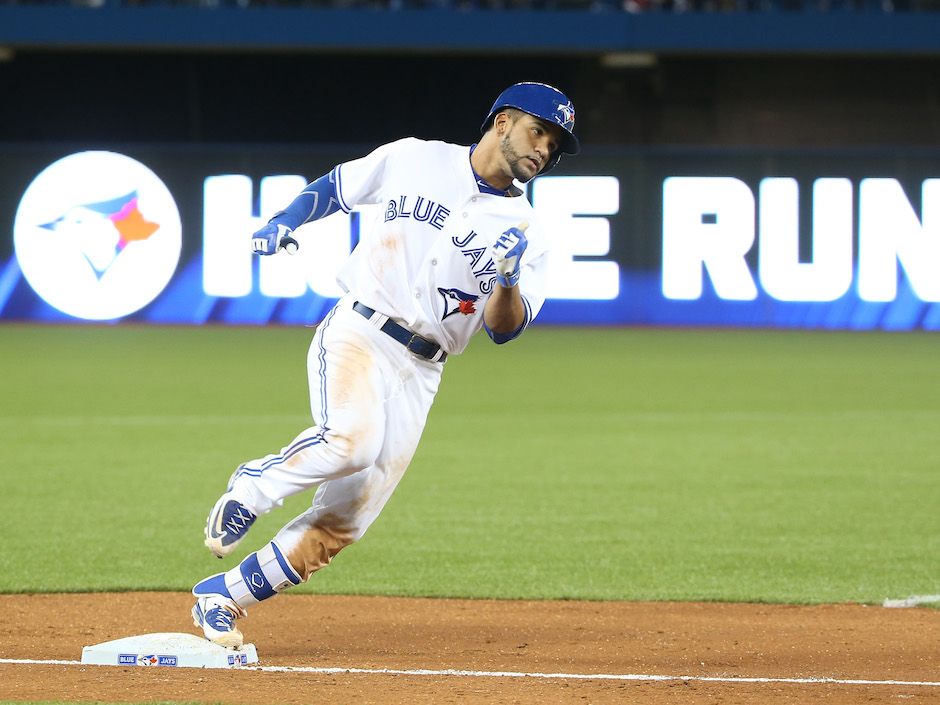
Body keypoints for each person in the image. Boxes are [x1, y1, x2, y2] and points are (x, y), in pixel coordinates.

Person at [190, 82, 580, 648]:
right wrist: (286, 220)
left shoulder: (530, 233)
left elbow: (503, 328)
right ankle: (254, 487)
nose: (545, 149)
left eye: (556, 144)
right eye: (538, 130)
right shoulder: (416, 158)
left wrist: (508, 279)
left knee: (345, 523)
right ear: (501, 123)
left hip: (424, 369)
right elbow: (339, 188)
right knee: (351, 441)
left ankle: (222, 597)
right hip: (361, 330)